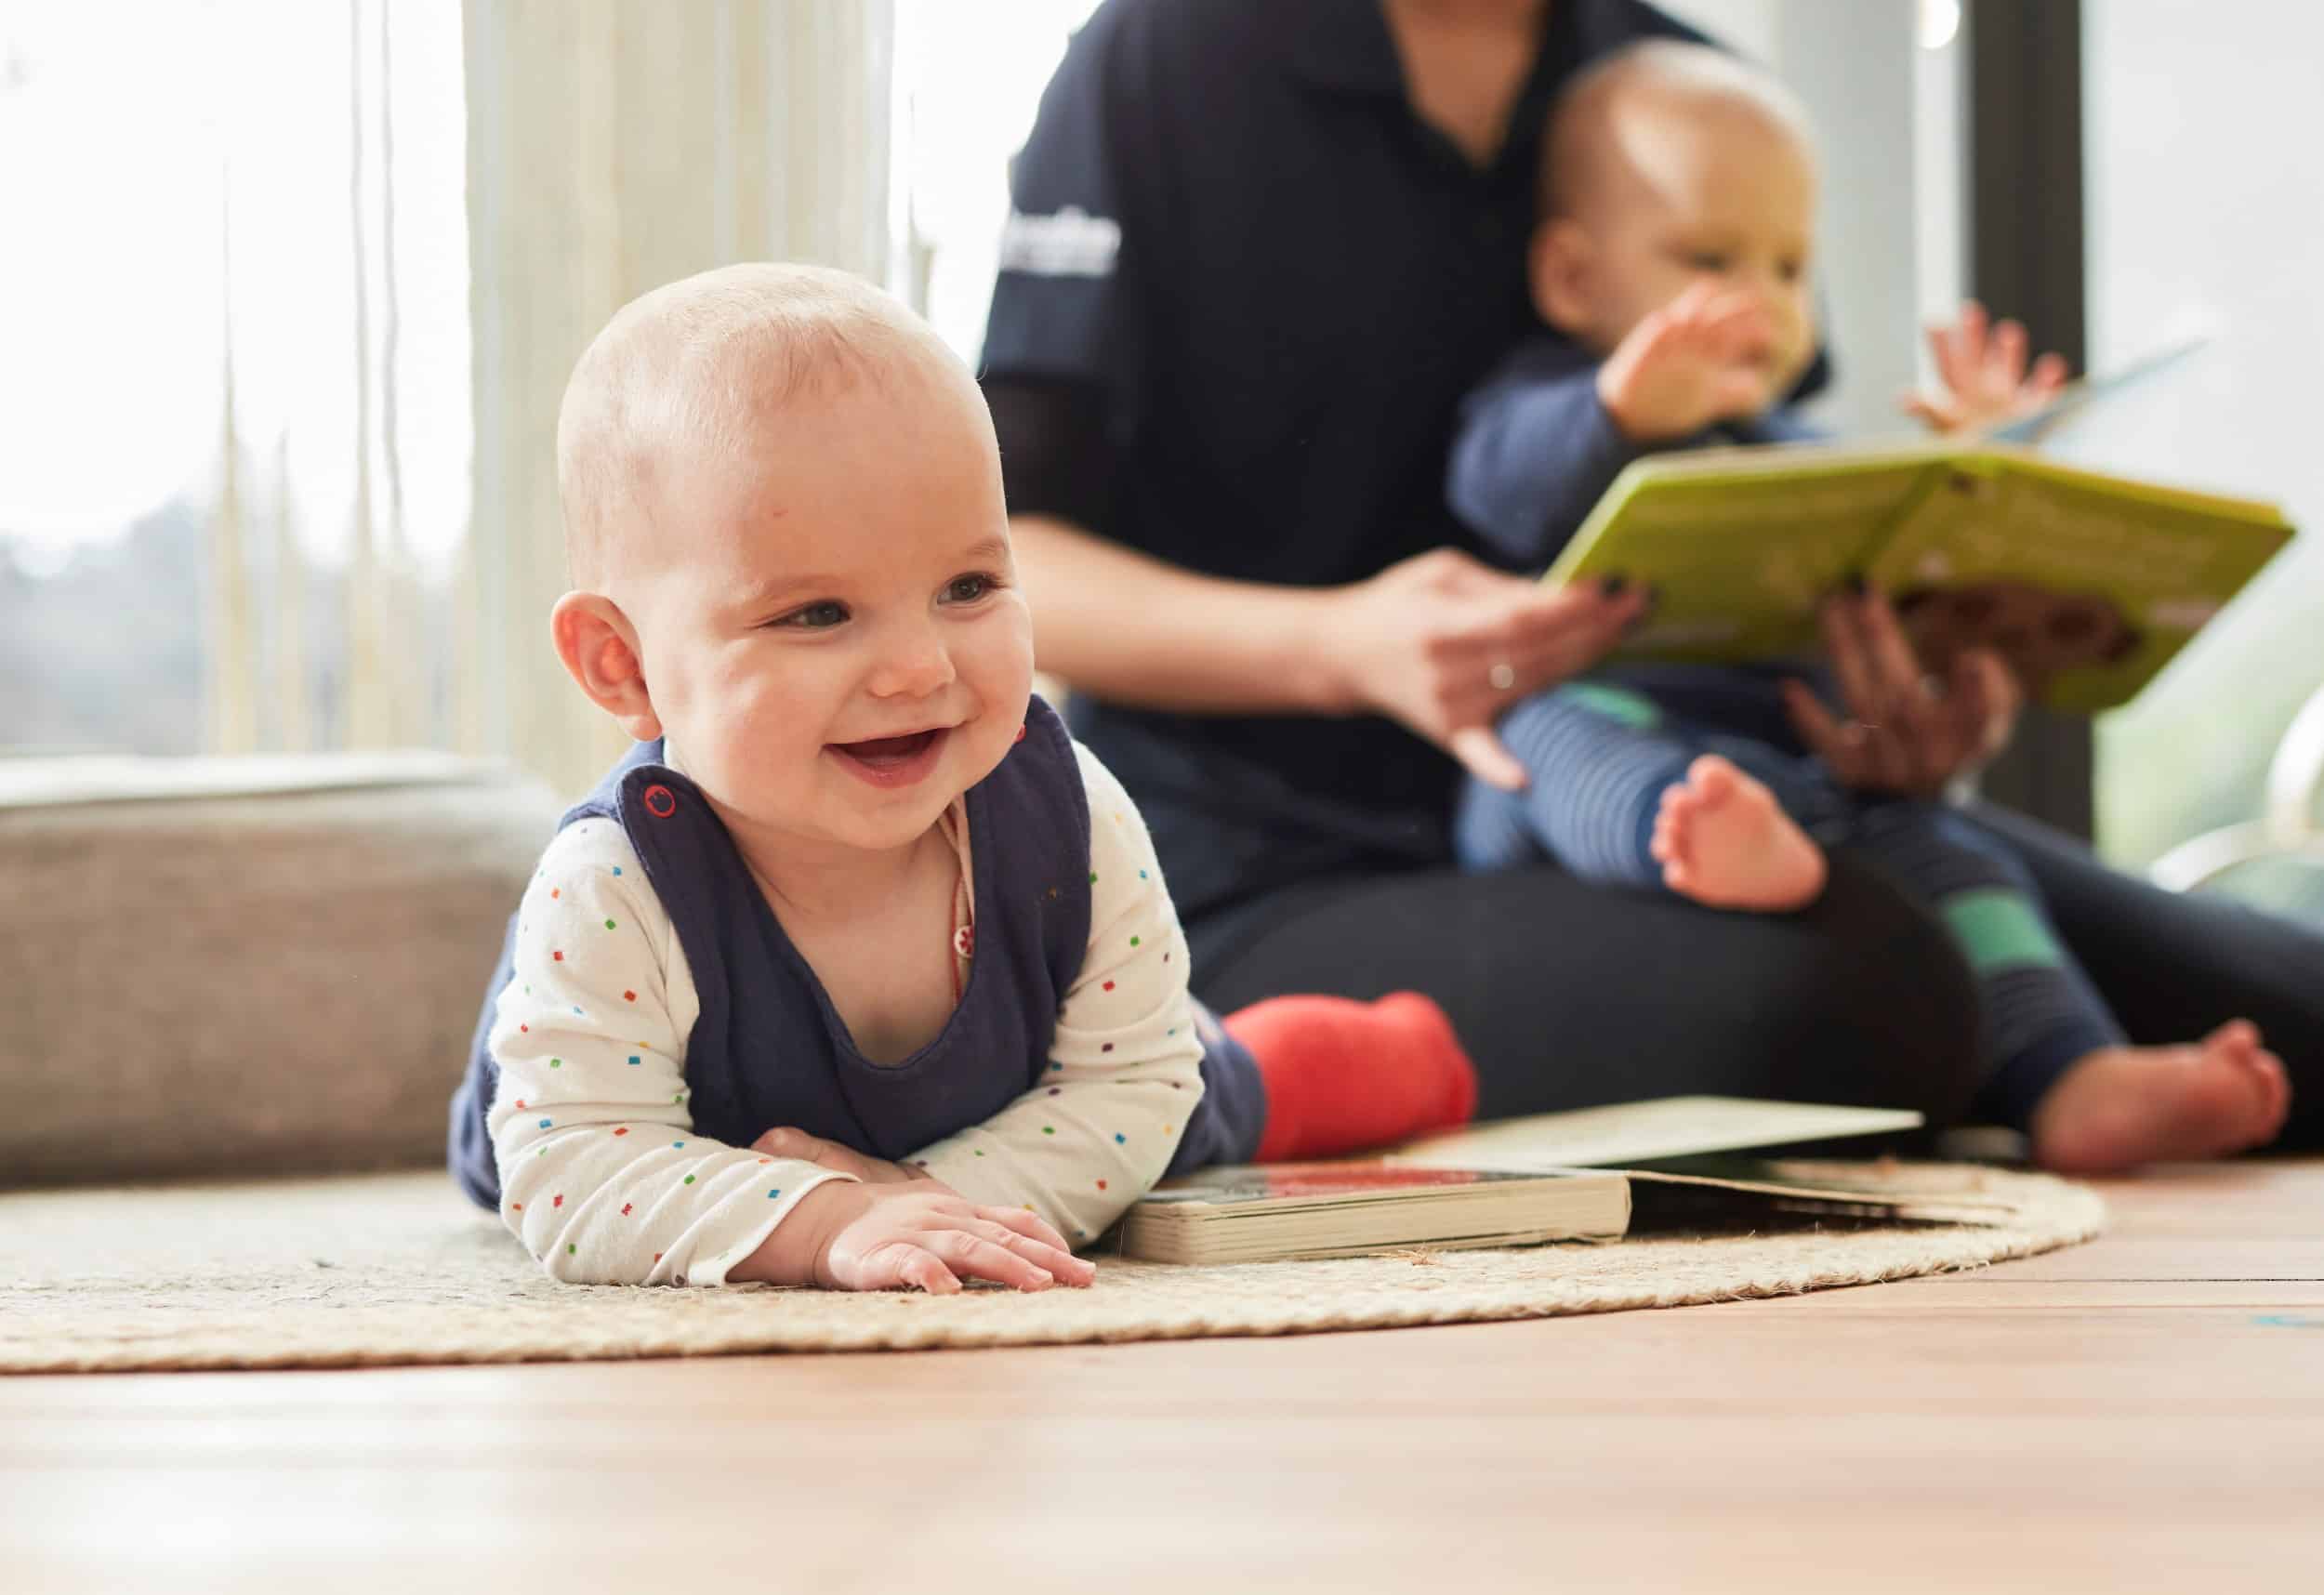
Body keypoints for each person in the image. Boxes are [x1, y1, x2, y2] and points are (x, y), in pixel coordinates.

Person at [977, 0, 2322, 1153]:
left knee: (2292, 1014)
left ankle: (2062, 1074)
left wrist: (1888, 691)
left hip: (1730, 774)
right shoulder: (1166, 59)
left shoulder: (1685, 90)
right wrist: (1343, 646)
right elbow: (1007, 563)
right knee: (1864, 992)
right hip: (1272, 867)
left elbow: (1760, 493)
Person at [444, 264, 1478, 1292]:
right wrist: (827, 1223)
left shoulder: (1062, 816)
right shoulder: (616, 884)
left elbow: (1135, 1089)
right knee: (541, 1168)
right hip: (678, 1135)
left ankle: (1411, 1049)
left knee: (1234, 1089)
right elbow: (577, 1166)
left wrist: (920, 1198)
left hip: (1050, 1091)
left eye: (968, 587)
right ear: (621, 665)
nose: (918, 670)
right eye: (816, 614)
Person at [1442, 39, 2289, 1172]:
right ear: (1573, 280)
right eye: (1709, 258)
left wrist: (1980, 480)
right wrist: (1616, 409)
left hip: (1793, 780)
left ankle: (2073, 1080)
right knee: (1544, 722)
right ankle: (1681, 831)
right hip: (1574, 779)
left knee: (1954, 860)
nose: (1761, 302)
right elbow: (1498, 487)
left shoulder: (1790, 449)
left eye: (1790, 270)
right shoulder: (1538, 403)